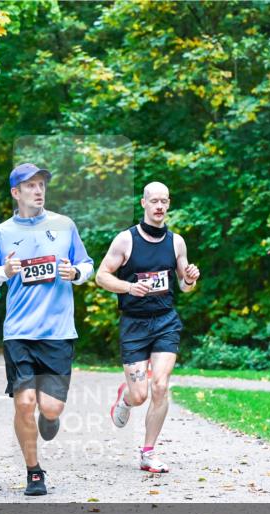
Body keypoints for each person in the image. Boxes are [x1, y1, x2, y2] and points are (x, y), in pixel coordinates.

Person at [0, 163, 94, 496]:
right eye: (30, 185)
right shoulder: (1, 233)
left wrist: (75, 273)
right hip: (19, 332)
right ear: (16, 193)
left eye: (41, 185)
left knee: (49, 408)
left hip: (57, 332)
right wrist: (3, 272)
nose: (38, 190)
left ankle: (49, 418)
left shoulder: (64, 226)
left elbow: (87, 265)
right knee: (24, 403)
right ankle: (34, 472)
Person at [95, 181, 200, 473]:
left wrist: (190, 278)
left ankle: (148, 452)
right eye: (154, 201)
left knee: (161, 385)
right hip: (134, 324)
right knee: (140, 394)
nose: (159, 206)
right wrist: (129, 287)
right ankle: (126, 398)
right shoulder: (126, 240)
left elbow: (184, 286)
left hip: (166, 320)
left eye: (164, 201)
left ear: (168, 204)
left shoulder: (176, 242)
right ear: (143, 203)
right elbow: (101, 277)